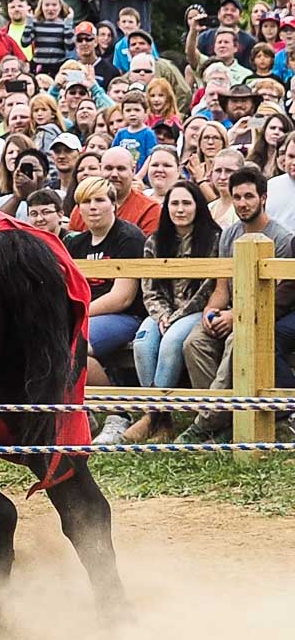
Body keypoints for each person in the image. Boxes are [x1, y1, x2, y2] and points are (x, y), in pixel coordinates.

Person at [177, 167, 295, 442]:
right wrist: (211, 310)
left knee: (237, 341)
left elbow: (279, 297)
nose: (243, 203)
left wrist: (236, 317)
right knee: (193, 342)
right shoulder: (228, 235)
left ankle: (204, 424)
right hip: (231, 310)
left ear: (263, 198)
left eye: (249, 197)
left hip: (263, 315)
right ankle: (225, 420)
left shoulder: (282, 238)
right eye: (238, 197)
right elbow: (221, 287)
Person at [124, 180, 219, 443]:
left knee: (171, 342)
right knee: (142, 343)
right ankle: (162, 421)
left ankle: (151, 417)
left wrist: (174, 318)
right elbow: (149, 287)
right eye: (174, 203)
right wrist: (162, 316)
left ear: (197, 206)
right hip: (161, 312)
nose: (180, 209)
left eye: (186, 203)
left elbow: (208, 289)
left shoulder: (214, 240)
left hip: (193, 312)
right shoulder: (155, 241)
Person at [63, 175, 147, 440]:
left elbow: (122, 297)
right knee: (56, 343)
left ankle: (118, 412)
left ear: (114, 204)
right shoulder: (75, 243)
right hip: (86, 314)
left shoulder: (128, 237)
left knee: (74, 345)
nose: (93, 207)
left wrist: (79, 312)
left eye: (100, 200)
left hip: (125, 316)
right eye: (86, 202)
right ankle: (81, 410)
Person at [67, 146, 160, 235]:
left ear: (133, 171)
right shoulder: (84, 206)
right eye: (108, 168)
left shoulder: (149, 208)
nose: (114, 174)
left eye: (121, 169)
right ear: (100, 168)